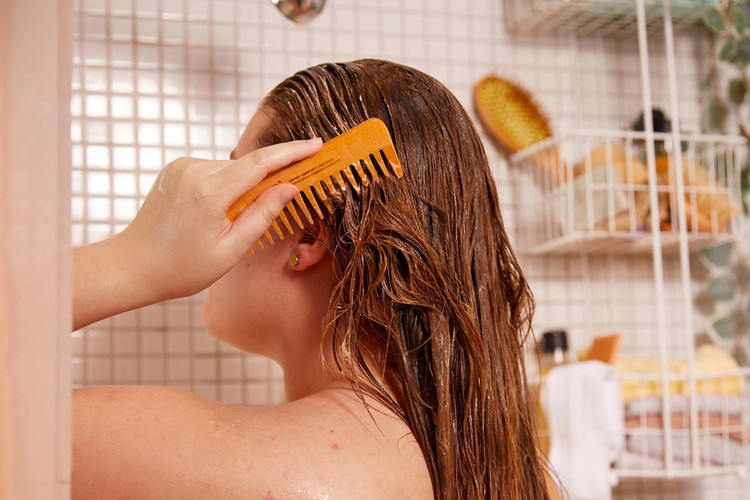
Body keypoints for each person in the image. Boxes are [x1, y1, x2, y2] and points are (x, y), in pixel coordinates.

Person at [72, 59, 554, 499]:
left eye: (239, 180)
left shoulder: (223, 465)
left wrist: (133, 261)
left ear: (307, 234)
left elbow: (28, 428)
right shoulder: (526, 474)